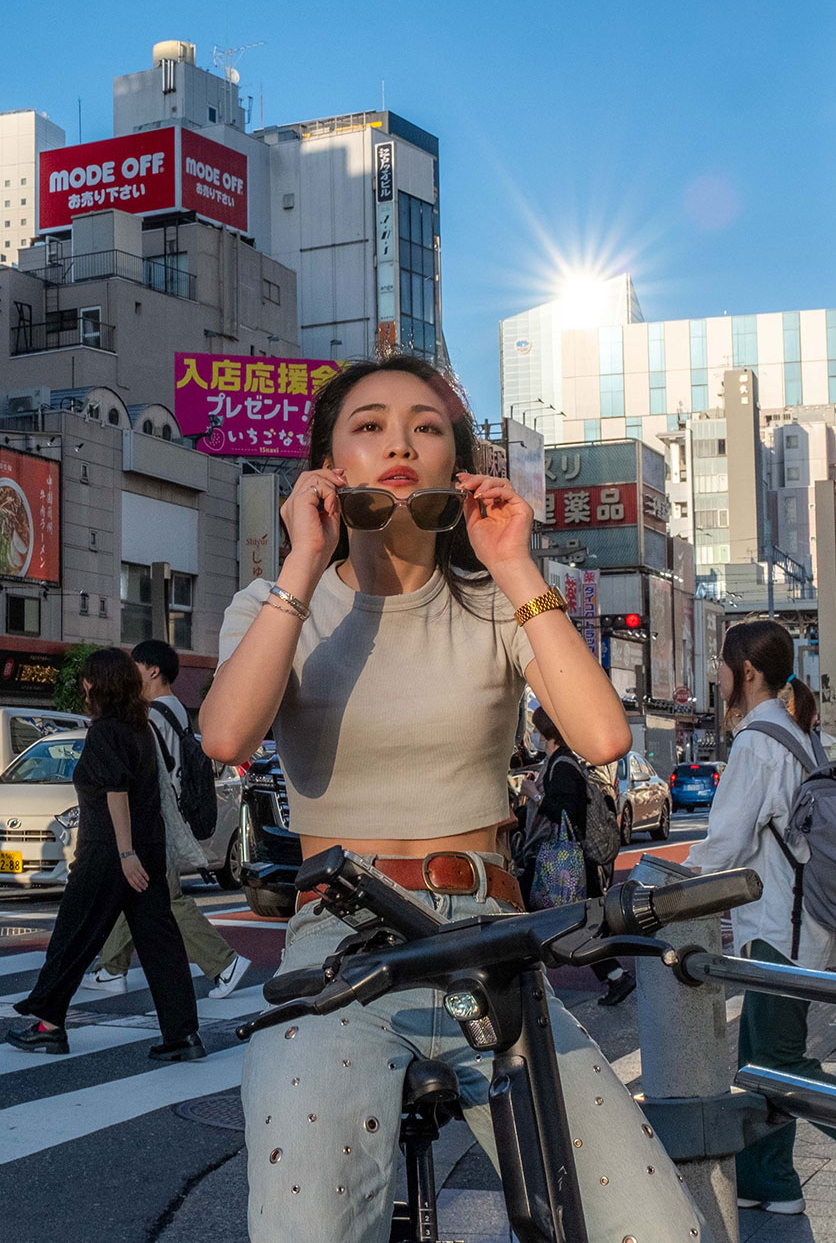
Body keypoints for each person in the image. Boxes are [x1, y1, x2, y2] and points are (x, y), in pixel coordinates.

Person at [197, 354, 696, 1241]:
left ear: (456, 464)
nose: (399, 441)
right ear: (327, 464)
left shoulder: (495, 603)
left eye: (426, 427)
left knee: (651, 1225)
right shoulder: (277, 602)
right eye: (370, 425)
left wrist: (513, 563)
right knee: (304, 1223)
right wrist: (305, 559)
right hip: (337, 947)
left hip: (490, 940)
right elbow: (228, 737)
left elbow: (604, 738)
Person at [684, 619, 836, 1227]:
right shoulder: (797, 734)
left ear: (746, 671)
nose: (716, 674)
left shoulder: (756, 742)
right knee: (761, 1059)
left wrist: (662, 884)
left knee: (782, 1065)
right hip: (804, 924)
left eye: (721, 663)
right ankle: (769, 1182)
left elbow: (724, 846)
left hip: (778, 930)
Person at [8, 647, 204, 1059]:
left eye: (87, 677)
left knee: (73, 934)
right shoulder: (139, 728)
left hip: (110, 853)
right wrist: (136, 853)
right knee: (159, 943)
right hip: (147, 850)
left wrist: (124, 853)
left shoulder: (105, 731)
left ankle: (48, 1024)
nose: (83, 684)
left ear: (99, 683)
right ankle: (182, 1034)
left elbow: (116, 794)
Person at [83, 638, 252, 1000]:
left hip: (156, 821)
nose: (132, 674)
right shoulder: (177, 712)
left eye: (136, 668)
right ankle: (111, 968)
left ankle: (225, 963)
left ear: (152, 671)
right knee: (136, 890)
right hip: (168, 819)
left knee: (166, 896)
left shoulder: (152, 716)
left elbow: (148, 776)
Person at [531, 707, 635, 1006]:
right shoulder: (561, 761)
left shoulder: (562, 765)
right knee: (584, 923)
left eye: (538, 730)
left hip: (569, 859)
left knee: (576, 923)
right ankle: (615, 975)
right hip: (576, 858)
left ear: (547, 732)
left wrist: (534, 795)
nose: (536, 736)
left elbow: (566, 812)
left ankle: (615, 975)